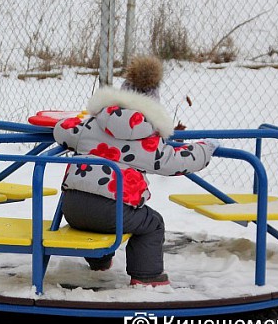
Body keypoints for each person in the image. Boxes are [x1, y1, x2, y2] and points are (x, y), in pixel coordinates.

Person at [53, 57, 218, 287]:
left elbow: (63, 131)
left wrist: (76, 121)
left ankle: (99, 262)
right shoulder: (147, 138)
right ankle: (147, 276)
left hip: (72, 207)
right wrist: (205, 149)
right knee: (152, 224)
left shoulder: (93, 122)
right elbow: (174, 161)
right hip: (112, 212)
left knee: (96, 219)